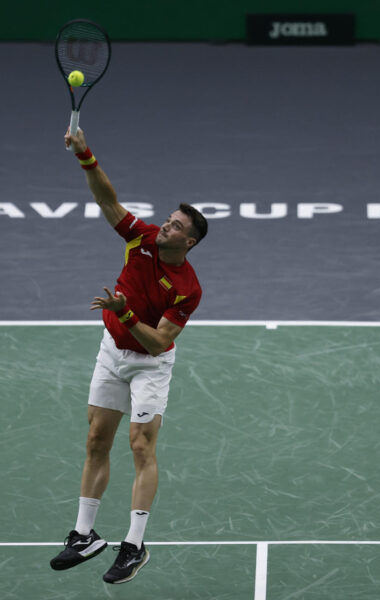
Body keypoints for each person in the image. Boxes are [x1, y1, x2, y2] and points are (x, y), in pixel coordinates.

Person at [50, 129, 208, 584]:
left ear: (189, 242)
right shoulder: (141, 238)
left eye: (176, 226)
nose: (166, 226)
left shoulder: (187, 289)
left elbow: (159, 342)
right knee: (97, 440)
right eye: (169, 219)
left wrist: (127, 311)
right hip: (111, 353)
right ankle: (84, 536)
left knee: (141, 445)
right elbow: (108, 201)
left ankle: (134, 545)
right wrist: (85, 156)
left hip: (150, 365)